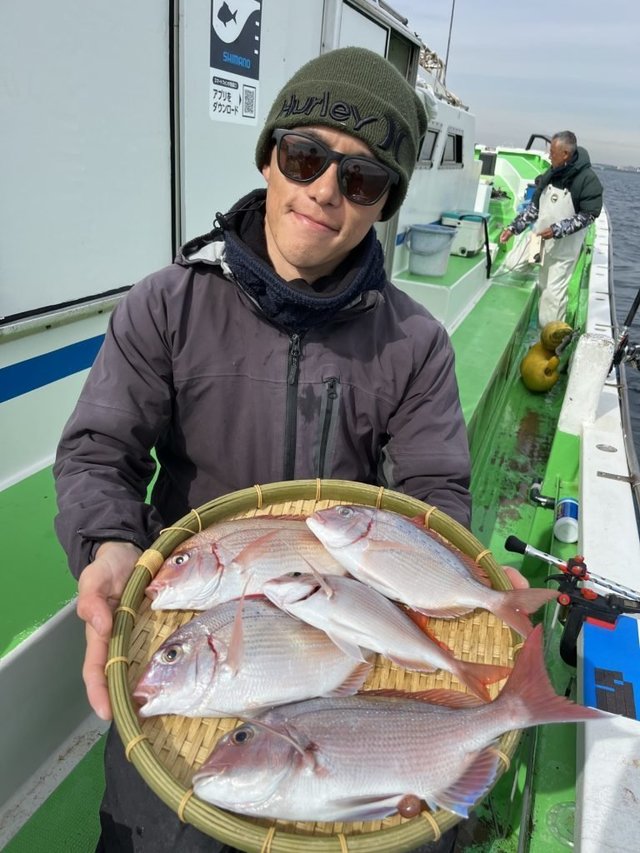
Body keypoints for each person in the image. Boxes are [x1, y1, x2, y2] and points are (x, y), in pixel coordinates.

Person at [54, 47, 473, 852]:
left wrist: (442, 580)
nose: (325, 189)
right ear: (270, 158)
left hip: (333, 645)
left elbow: (436, 495)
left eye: (362, 178)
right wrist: (108, 544)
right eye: (306, 156)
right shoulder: (166, 303)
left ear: (383, 204)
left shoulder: (415, 343)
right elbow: (98, 452)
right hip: (192, 633)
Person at [499, 131, 603, 327]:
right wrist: (514, 227)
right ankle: (523, 303)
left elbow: (588, 215)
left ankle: (549, 337)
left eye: (552, 152)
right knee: (513, 267)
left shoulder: (588, 180)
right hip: (539, 240)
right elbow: (534, 208)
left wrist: (557, 229)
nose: (549, 155)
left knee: (552, 298)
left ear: (565, 154)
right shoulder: (551, 172)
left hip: (562, 250)